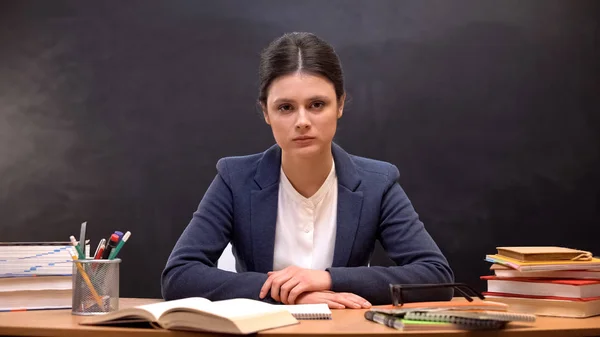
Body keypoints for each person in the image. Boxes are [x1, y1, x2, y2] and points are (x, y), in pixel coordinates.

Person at [161, 32, 454, 309]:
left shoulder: (378, 183)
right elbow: (179, 276)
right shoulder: (234, 179)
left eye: (317, 104)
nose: (302, 121)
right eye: (286, 107)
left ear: (339, 105)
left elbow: (436, 277)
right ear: (266, 112)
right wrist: (287, 294)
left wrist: (327, 279)